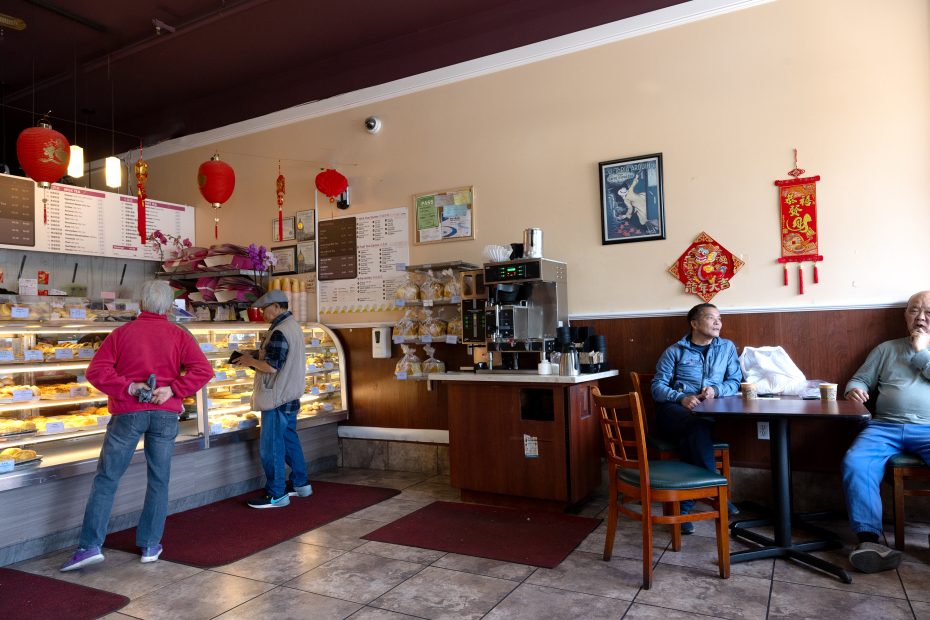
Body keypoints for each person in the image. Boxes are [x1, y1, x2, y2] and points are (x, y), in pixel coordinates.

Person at [60, 280, 213, 571]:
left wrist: (129, 388)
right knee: (159, 480)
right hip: (165, 414)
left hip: (127, 414)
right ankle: (150, 545)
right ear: (169, 306)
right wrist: (173, 390)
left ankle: (90, 546)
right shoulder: (178, 334)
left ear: (141, 304)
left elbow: (96, 371)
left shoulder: (122, 333)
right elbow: (203, 370)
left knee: (107, 479)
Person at [842, 290, 930, 573]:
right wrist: (855, 389)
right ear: (905, 316)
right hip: (884, 426)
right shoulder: (886, 348)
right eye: (914, 310)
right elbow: (860, 378)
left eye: (928, 311)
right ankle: (869, 542)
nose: (920, 317)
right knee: (855, 462)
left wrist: (920, 351)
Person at [651, 302, 742, 532]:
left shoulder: (727, 348)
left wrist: (717, 390)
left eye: (719, 318)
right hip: (673, 413)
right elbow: (656, 387)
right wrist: (681, 397)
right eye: (711, 317)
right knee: (695, 426)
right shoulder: (675, 351)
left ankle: (684, 508)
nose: (718, 322)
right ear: (694, 323)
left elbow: (735, 381)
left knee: (694, 433)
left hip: (708, 415)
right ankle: (715, 489)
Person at [233, 290, 312, 508]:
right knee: (289, 440)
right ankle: (301, 484)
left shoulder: (279, 331)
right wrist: (253, 356)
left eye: (265, 310)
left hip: (276, 397)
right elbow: (279, 359)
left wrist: (249, 360)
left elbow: (271, 366)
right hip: (290, 395)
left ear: (276, 307)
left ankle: (276, 494)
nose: (263, 314)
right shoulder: (293, 326)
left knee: (272, 447)